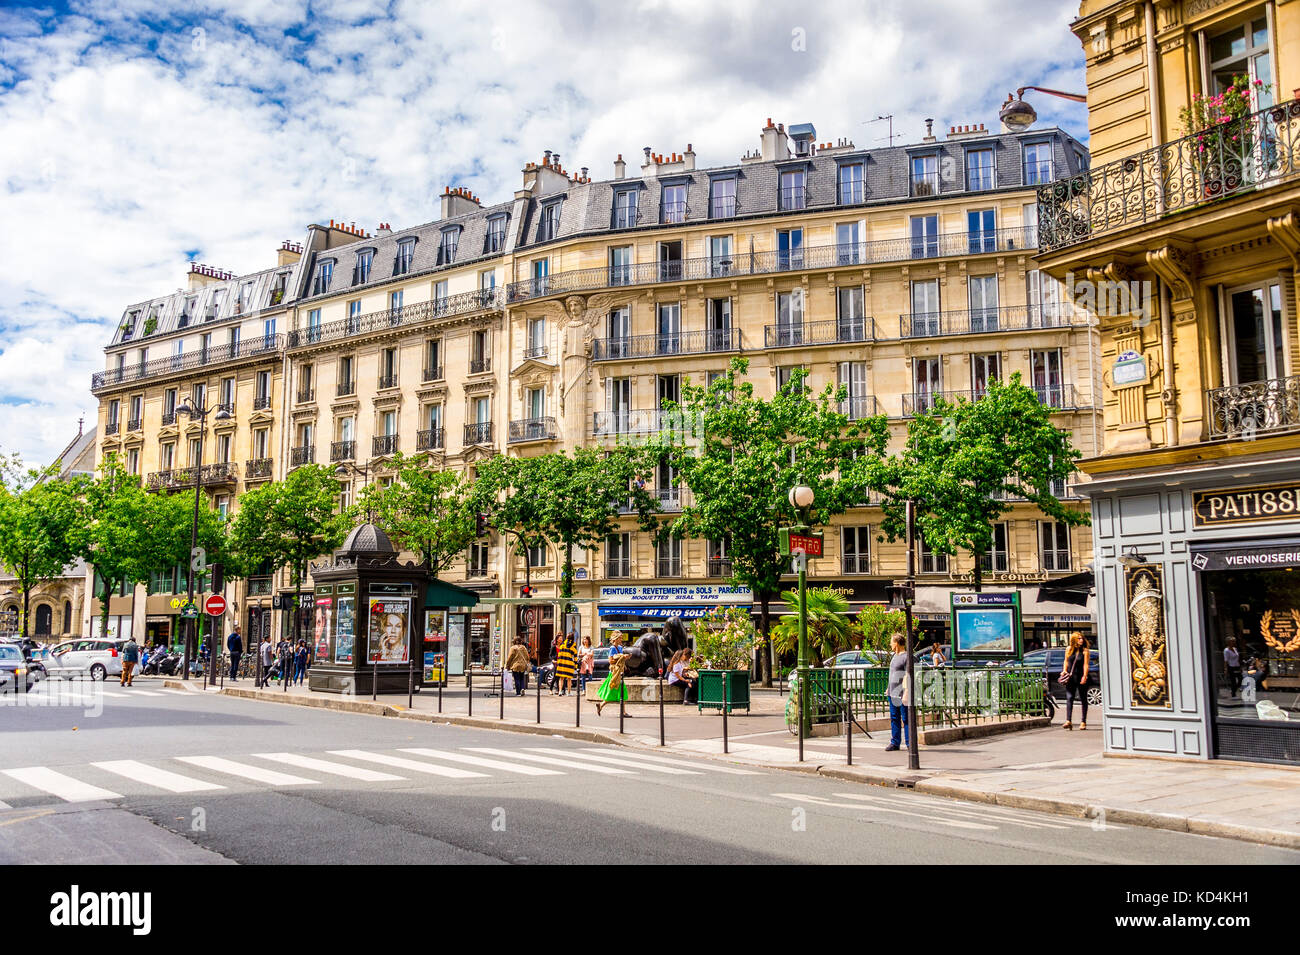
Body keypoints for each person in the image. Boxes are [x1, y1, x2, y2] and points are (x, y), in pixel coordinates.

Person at [1060, 631, 1091, 730]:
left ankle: (1083, 721)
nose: (1081, 640)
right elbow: (1066, 661)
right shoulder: (1068, 649)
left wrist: (1085, 676)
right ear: (1074, 640)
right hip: (1070, 677)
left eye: (1082, 638)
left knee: (1083, 698)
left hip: (1081, 676)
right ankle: (1068, 720)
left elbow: (1086, 664)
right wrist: (1064, 670)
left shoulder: (1085, 651)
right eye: (1079, 638)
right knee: (1069, 698)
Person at [885, 634, 909, 751]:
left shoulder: (907, 657)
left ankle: (910, 743)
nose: (890, 644)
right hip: (892, 693)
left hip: (902, 694)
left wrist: (906, 692)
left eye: (891, 642)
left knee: (906, 719)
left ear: (897, 643)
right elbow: (892, 674)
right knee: (894, 718)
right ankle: (895, 742)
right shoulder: (894, 656)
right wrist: (888, 688)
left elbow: (908, 676)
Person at [594, 650, 629, 716]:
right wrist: (622, 657)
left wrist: (625, 658)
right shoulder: (612, 648)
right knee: (619, 692)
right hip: (614, 674)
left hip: (619, 673)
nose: (621, 639)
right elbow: (610, 661)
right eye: (620, 638)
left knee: (619, 692)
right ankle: (623, 712)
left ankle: (601, 705)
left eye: (621, 638)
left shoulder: (620, 647)